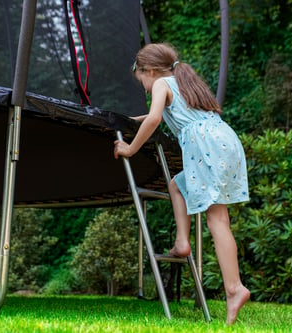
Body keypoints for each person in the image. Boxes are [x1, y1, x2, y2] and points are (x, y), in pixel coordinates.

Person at [113, 43, 250, 324]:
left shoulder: (162, 83)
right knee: (177, 185)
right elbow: (155, 114)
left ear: (149, 71)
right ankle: (182, 242)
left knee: (217, 220)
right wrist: (129, 119)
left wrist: (129, 148)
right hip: (225, 140)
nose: (146, 89)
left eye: (143, 83)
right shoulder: (183, 82)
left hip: (206, 145)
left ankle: (234, 288)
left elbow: (152, 120)